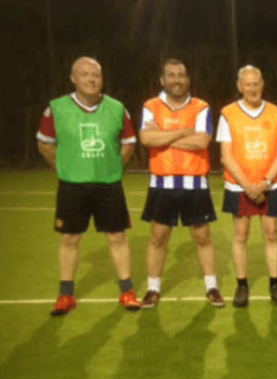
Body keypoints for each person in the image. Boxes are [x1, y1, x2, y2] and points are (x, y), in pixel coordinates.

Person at [36, 56, 141, 315]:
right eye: (85, 74)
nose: (91, 79)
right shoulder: (56, 108)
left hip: (109, 185)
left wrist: (115, 166)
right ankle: (66, 295)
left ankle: (127, 290)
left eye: (95, 75)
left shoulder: (117, 108)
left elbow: (129, 142)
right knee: (70, 238)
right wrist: (63, 168)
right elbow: (44, 143)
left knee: (117, 236)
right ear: (73, 78)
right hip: (73, 186)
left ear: (102, 79)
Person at [138, 58, 224, 308]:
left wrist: (161, 137)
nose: (177, 80)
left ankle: (212, 287)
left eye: (181, 75)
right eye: (171, 75)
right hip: (162, 184)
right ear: (162, 80)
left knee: (202, 237)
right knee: (158, 237)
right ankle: (153, 289)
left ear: (188, 79)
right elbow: (145, 138)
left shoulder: (201, 106)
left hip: (195, 184)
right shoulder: (151, 106)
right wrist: (183, 131)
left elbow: (201, 142)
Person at [217, 65, 277, 307]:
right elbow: (226, 156)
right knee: (240, 235)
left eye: (256, 83)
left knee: (271, 234)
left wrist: (265, 182)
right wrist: (249, 186)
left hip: (271, 185)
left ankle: (275, 285)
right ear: (239, 86)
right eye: (247, 84)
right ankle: (242, 285)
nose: (252, 88)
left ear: (262, 83)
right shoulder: (227, 113)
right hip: (240, 186)